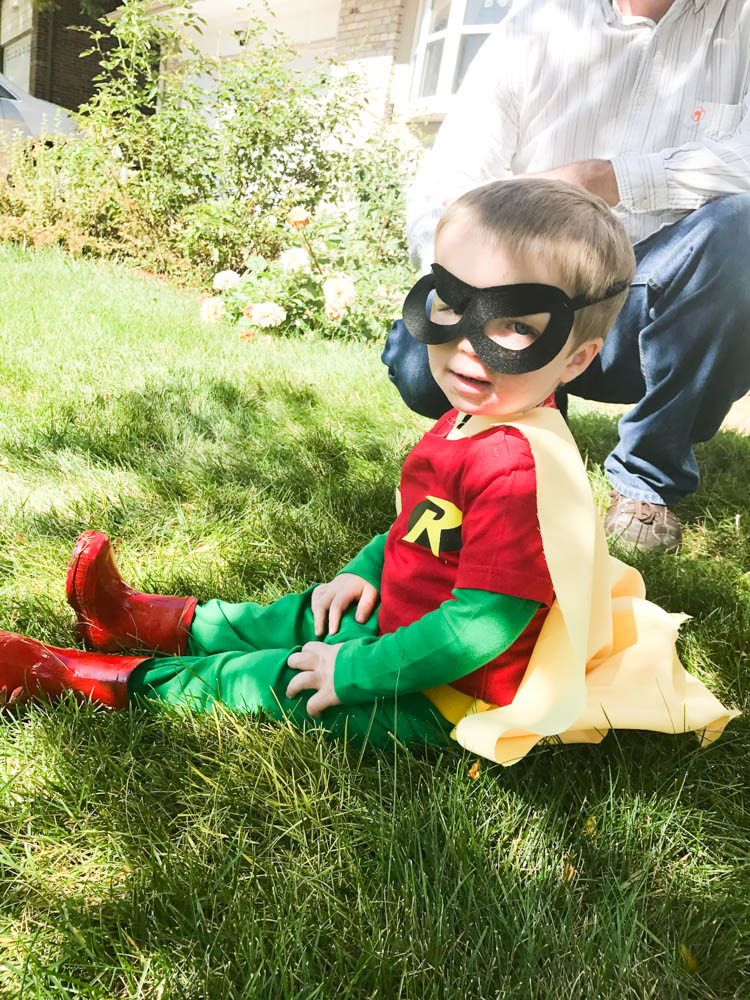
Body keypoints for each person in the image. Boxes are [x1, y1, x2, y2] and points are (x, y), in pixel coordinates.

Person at [0, 179, 735, 765]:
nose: (470, 346)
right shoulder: (475, 416)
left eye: (514, 323)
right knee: (292, 615)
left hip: (444, 691)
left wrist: (350, 673)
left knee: (268, 678)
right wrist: (363, 570)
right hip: (399, 621)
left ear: (576, 360)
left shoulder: (518, 470)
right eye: (452, 303)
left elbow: (476, 631)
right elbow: (421, 528)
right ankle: (133, 619)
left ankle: (81, 679)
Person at [383, 0, 750, 554]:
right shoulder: (538, 21)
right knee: (418, 366)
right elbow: (451, 173)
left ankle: (647, 479)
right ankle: (524, 429)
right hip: (527, 294)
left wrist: (608, 178)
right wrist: (469, 293)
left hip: (661, 304)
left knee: (742, 225)